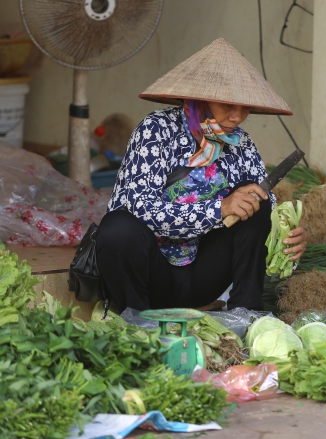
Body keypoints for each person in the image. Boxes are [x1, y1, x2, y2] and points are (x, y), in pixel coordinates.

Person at [95, 39, 307, 313]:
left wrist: (286, 239)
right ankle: (134, 322)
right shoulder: (156, 130)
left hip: (201, 278)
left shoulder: (241, 143)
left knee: (256, 199)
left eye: (245, 108)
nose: (237, 117)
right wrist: (219, 209)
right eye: (228, 105)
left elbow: (262, 224)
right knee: (118, 228)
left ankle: (246, 314)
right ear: (199, 99)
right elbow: (142, 210)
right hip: (150, 274)